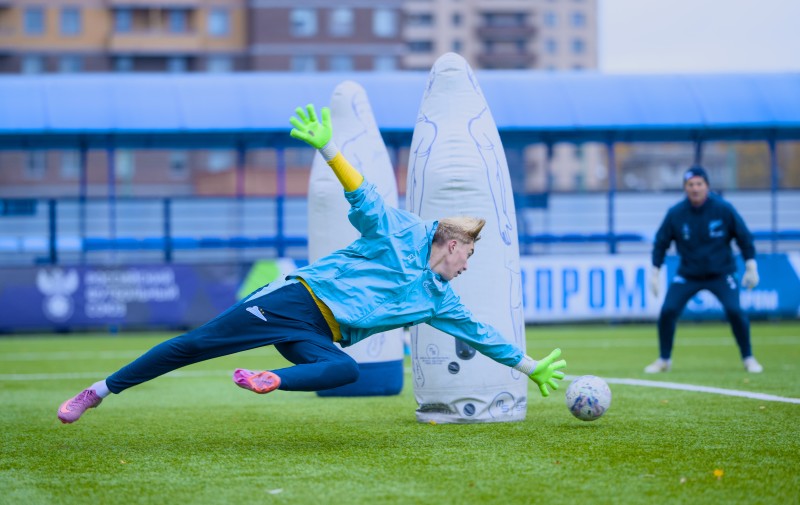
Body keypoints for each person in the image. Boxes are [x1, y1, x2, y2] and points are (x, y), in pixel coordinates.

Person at [57, 104, 567, 424]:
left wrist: (531, 366)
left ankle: (271, 379)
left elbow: (482, 335)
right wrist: (328, 147)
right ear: (453, 244)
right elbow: (364, 197)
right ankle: (97, 392)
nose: (467, 266)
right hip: (294, 301)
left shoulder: (438, 300)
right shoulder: (402, 232)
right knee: (193, 346)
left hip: (320, 334)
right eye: (469, 255)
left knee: (344, 370)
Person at [645, 165, 762, 374]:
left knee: (735, 311)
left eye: (699, 184)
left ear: (707, 186)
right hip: (688, 274)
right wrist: (655, 270)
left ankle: (748, 358)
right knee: (668, 310)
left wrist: (750, 264)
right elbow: (661, 243)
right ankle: (664, 360)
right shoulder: (676, 213)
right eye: (690, 184)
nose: (695, 188)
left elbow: (744, 236)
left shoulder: (723, 209)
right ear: (685, 188)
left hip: (721, 273)